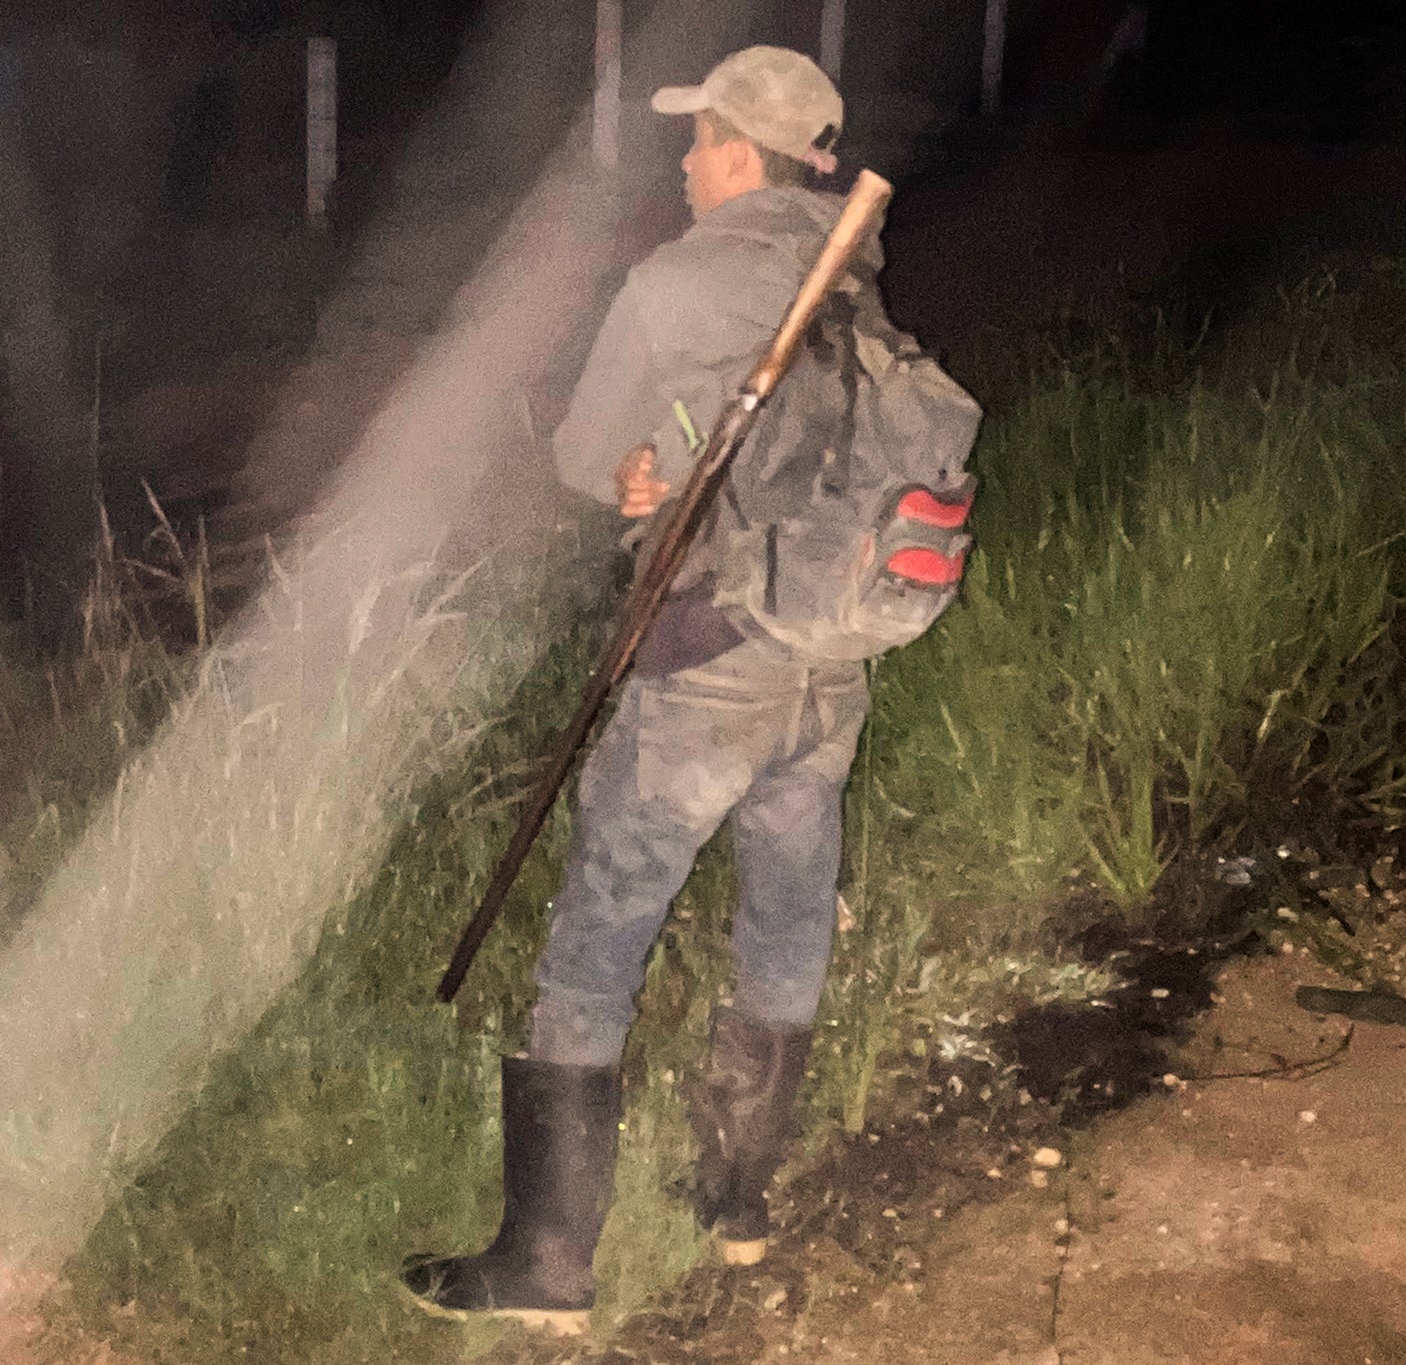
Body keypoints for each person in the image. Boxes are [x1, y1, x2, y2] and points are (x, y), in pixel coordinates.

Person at [403, 45, 896, 1335]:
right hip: (828, 662)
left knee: (601, 929)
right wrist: (660, 463)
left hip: (704, 659)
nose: (684, 162)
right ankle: (735, 1204)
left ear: (744, 149)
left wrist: (628, 468)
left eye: (701, 140)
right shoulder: (856, 275)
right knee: (787, 911)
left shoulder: (677, 283)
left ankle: (548, 1272)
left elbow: (581, 456)